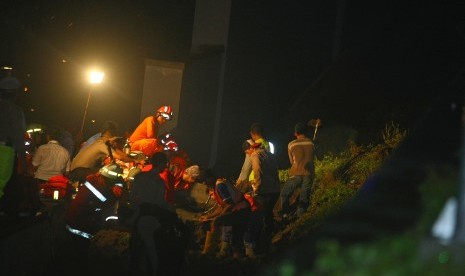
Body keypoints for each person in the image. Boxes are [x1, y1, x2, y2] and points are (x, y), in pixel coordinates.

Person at [129, 152, 179, 276]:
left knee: (135, 250)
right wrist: (173, 210)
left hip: (137, 217)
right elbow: (160, 203)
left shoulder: (139, 177)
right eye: (165, 164)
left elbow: (132, 198)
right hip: (150, 219)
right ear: (162, 164)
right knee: (153, 250)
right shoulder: (159, 182)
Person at [65, 163, 127, 259]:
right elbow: (110, 201)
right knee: (80, 257)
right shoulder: (100, 189)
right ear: (109, 180)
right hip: (81, 227)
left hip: (73, 221)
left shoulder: (93, 180)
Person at [199, 172, 251, 258]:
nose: (204, 183)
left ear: (211, 178)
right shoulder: (217, 186)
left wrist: (219, 217)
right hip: (239, 210)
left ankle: (209, 252)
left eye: (205, 181)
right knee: (236, 238)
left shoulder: (220, 185)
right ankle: (233, 257)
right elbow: (221, 207)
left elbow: (229, 204)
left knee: (217, 222)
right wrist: (208, 216)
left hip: (242, 210)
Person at [69, 121, 135, 184]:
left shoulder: (100, 140)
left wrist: (131, 157)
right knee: (107, 172)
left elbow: (117, 151)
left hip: (78, 170)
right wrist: (136, 160)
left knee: (104, 170)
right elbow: (121, 157)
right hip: (78, 172)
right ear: (111, 133)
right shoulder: (102, 144)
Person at [247, 139, 281, 255]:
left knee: (258, 217)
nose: (248, 155)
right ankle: (271, 238)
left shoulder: (255, 155)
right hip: (275, 189)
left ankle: (262, 245)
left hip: (264, 191)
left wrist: (256, 187)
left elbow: (257, 170)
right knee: (268, 213)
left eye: (247, 152)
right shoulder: (270, 154)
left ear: (250, 149)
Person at [279, 122, 315, 219]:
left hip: (296, 173)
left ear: (295, 133)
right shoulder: (311, 142)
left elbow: (292, 161)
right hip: (309, 173)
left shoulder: (291, 144)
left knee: (285, 194)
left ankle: (285, 213)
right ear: (305, 132)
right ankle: (300, 216)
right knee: (304, 195)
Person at [0, 75, 26, 197]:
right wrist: (23, 163)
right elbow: (18, 138)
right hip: (5, 152)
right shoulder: (16, 112)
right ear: (16, 95)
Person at [236, 122, 271, 192]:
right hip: (268, 180)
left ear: (251, 133)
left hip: (253, 180)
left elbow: (248, 164)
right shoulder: (268, 145)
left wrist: (241, 180)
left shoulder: (251, 145)